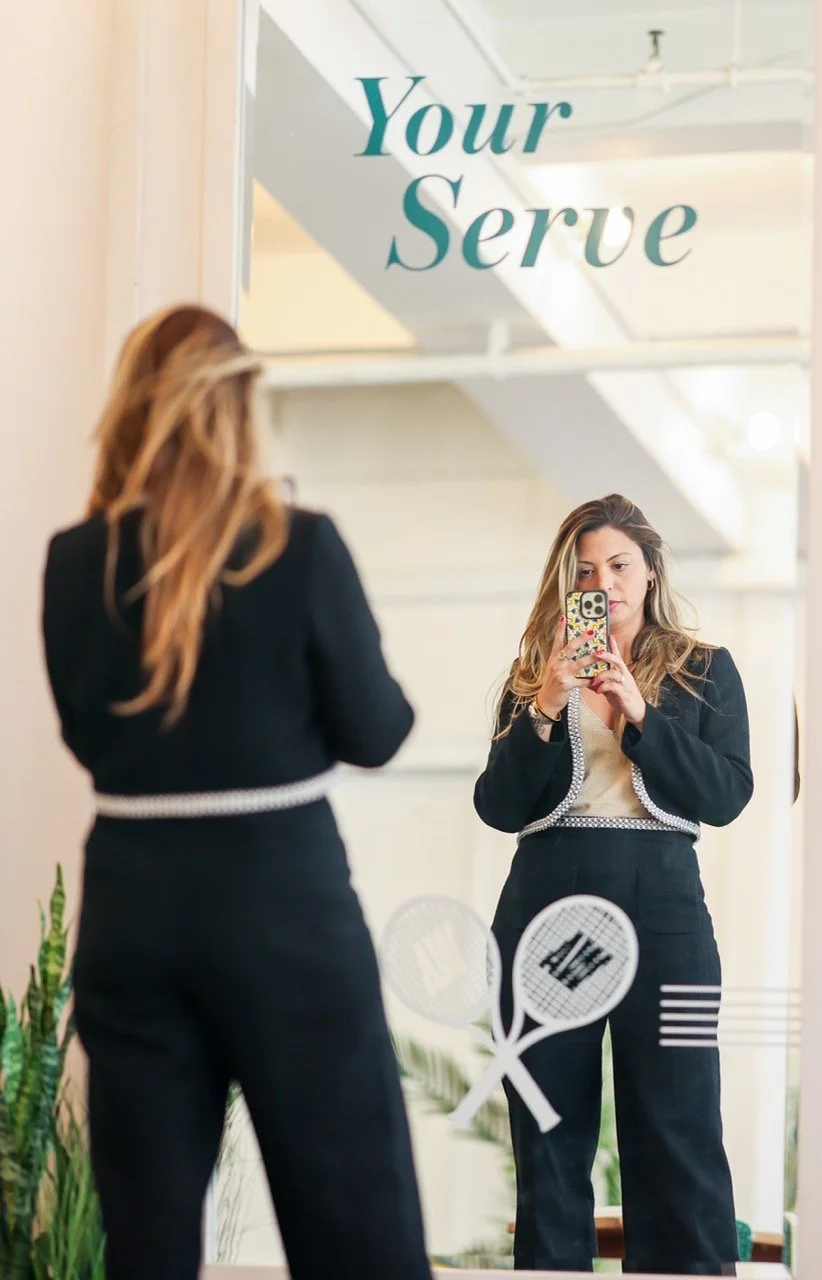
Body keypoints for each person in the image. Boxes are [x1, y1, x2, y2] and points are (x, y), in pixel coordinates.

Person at [41, 304, 432, 1280]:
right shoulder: (297, 545)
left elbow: (91, 741)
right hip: (282, 905)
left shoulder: (75, 561)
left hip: (132, 904)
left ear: (130, 412)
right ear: (243, 407)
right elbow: (376, 732)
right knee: (354, 1219)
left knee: (148, 1237)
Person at [475, 494, 754, 1276]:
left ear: (651, 569)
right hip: (548, 909)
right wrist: (543, 708)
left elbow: (729, 794)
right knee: (549, 1136)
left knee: (683, 1128)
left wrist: (639, 716)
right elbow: (497, 807)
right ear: (568, 586)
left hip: (669, 913)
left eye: (620, 565)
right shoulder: (532, 678)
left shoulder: (706, 670)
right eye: (586, 570)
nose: (606, 582)